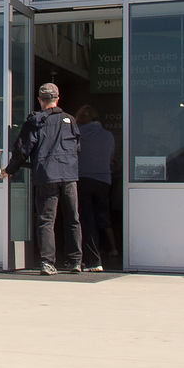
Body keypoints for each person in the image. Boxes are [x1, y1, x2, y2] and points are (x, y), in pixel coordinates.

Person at [2, 83, 82, 275]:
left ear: (39, 100)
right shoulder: (70, 120)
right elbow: (78, 147)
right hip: (69, 175)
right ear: (57, 98)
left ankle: (47, 262)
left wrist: (10, 169)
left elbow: (23, 149)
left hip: (47, 175)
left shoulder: (36, 121)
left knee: (46, 220)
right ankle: (75, 261)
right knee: (73, 219)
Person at [74, 105, 116, 272]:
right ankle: (111, 250)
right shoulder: (108, 135)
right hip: (104, 181)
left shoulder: (76, 134)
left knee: (86, 221)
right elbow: (111, 157)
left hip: (83, 179)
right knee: (103, 218)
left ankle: (92, 260)